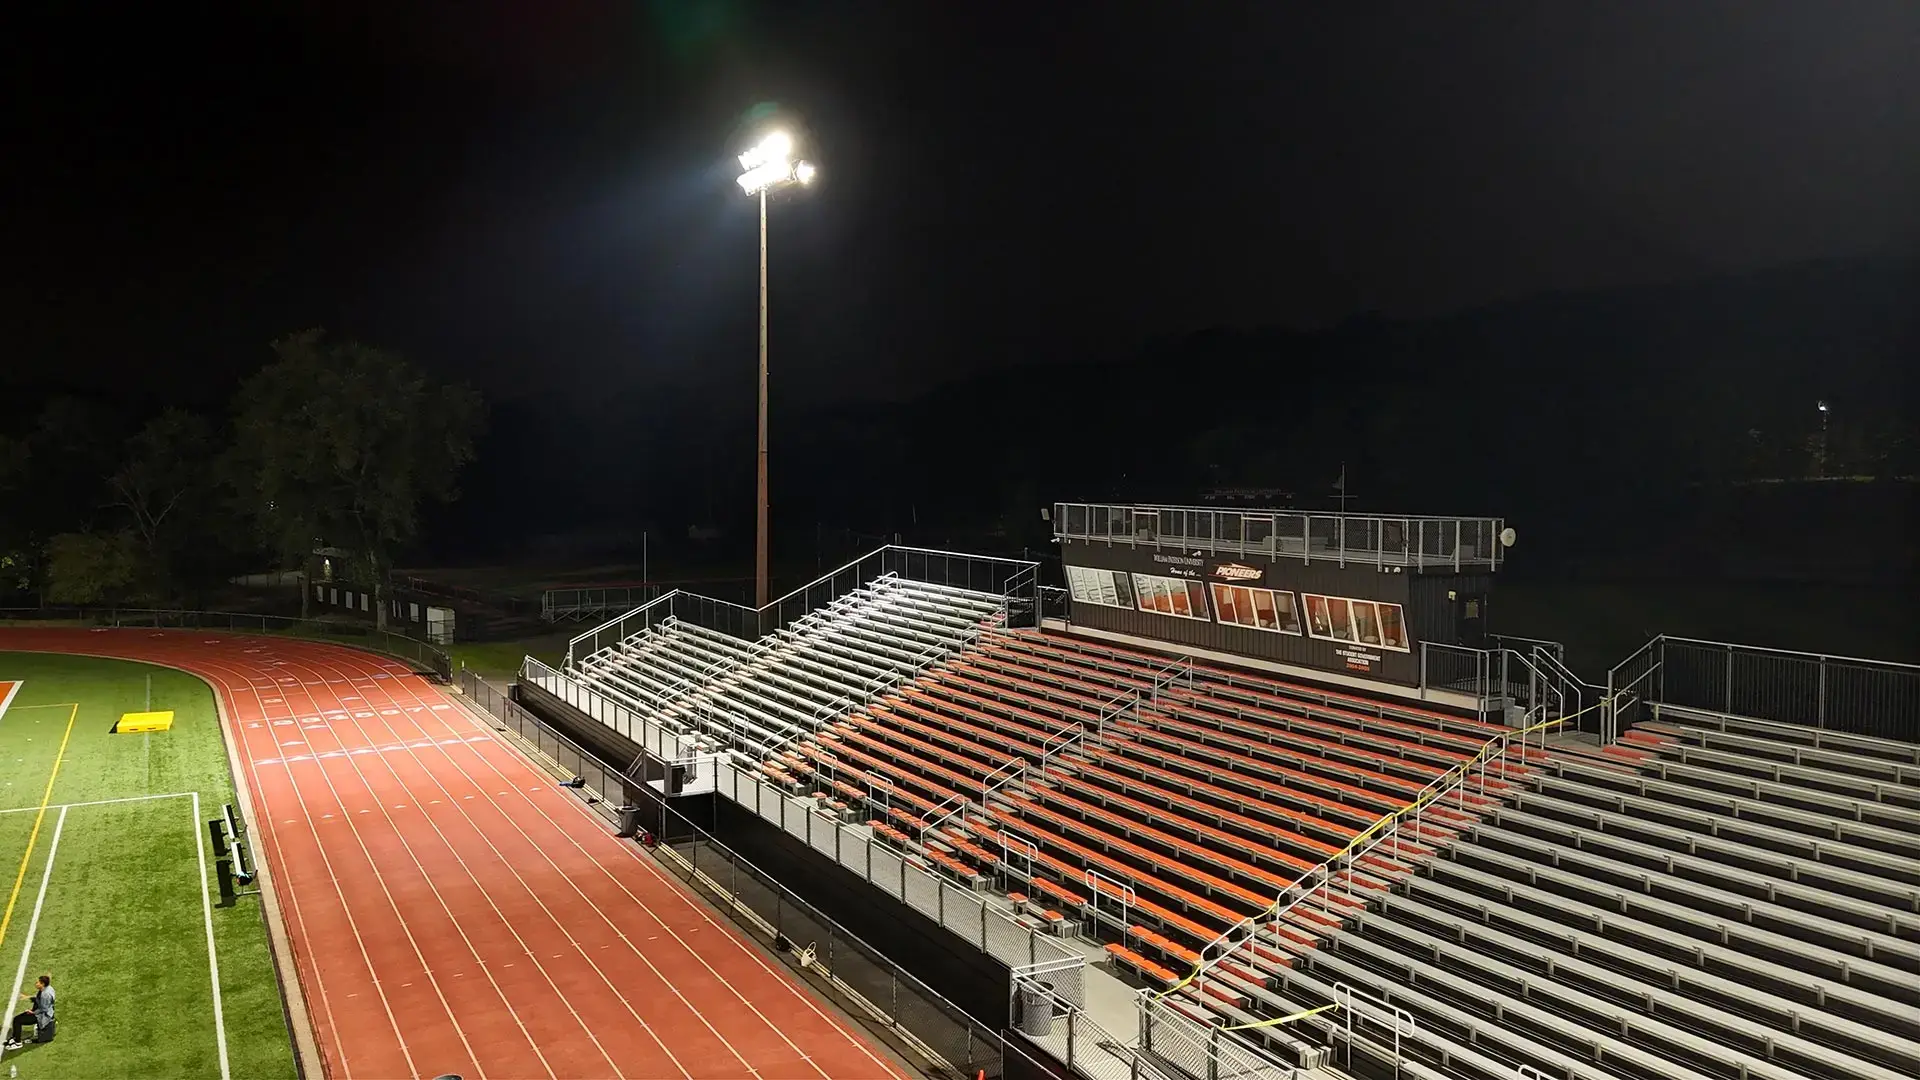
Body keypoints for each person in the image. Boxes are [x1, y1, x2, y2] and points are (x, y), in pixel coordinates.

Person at [4, 974, 54, 1048]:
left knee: (17, 1020)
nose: (36, 984)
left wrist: (33, 1012)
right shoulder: (48, 988)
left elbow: (44, 1009)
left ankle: (18, 1043)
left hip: (42, 1016)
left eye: (38, 982)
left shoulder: (45, 994)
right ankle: (15, 1037)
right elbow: (40, 1000)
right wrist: (28, 997)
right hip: (41, 1012)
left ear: (43, 984)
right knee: (17, 1019)